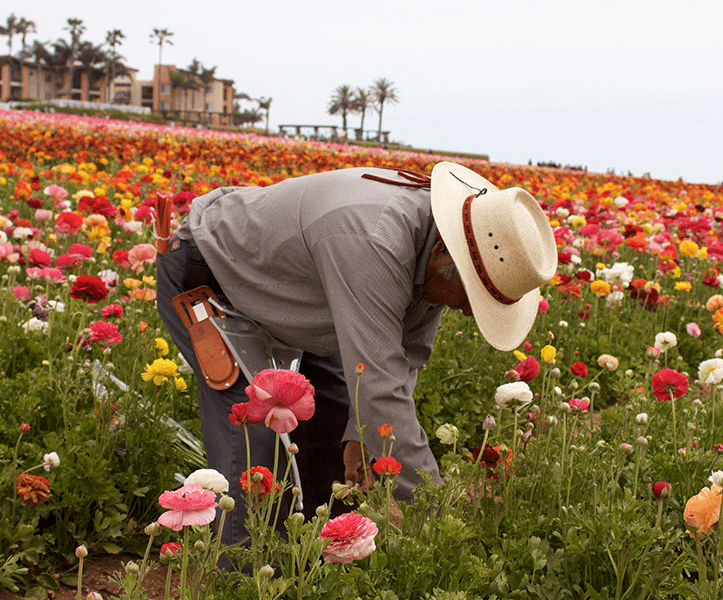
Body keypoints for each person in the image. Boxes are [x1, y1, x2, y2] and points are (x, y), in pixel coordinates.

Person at [155, 161, 557, 551]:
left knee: (337, 425)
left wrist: (355, 434)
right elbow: (381, 391)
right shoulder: (377, 239)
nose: (470, 312)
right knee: (255, 443)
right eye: (473, 296)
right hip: (214, 273)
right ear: (442, 252)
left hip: (308, 296)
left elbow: (402, 360)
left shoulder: (445, 247)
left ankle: (313, 561)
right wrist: (439, 522)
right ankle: (246, 577)